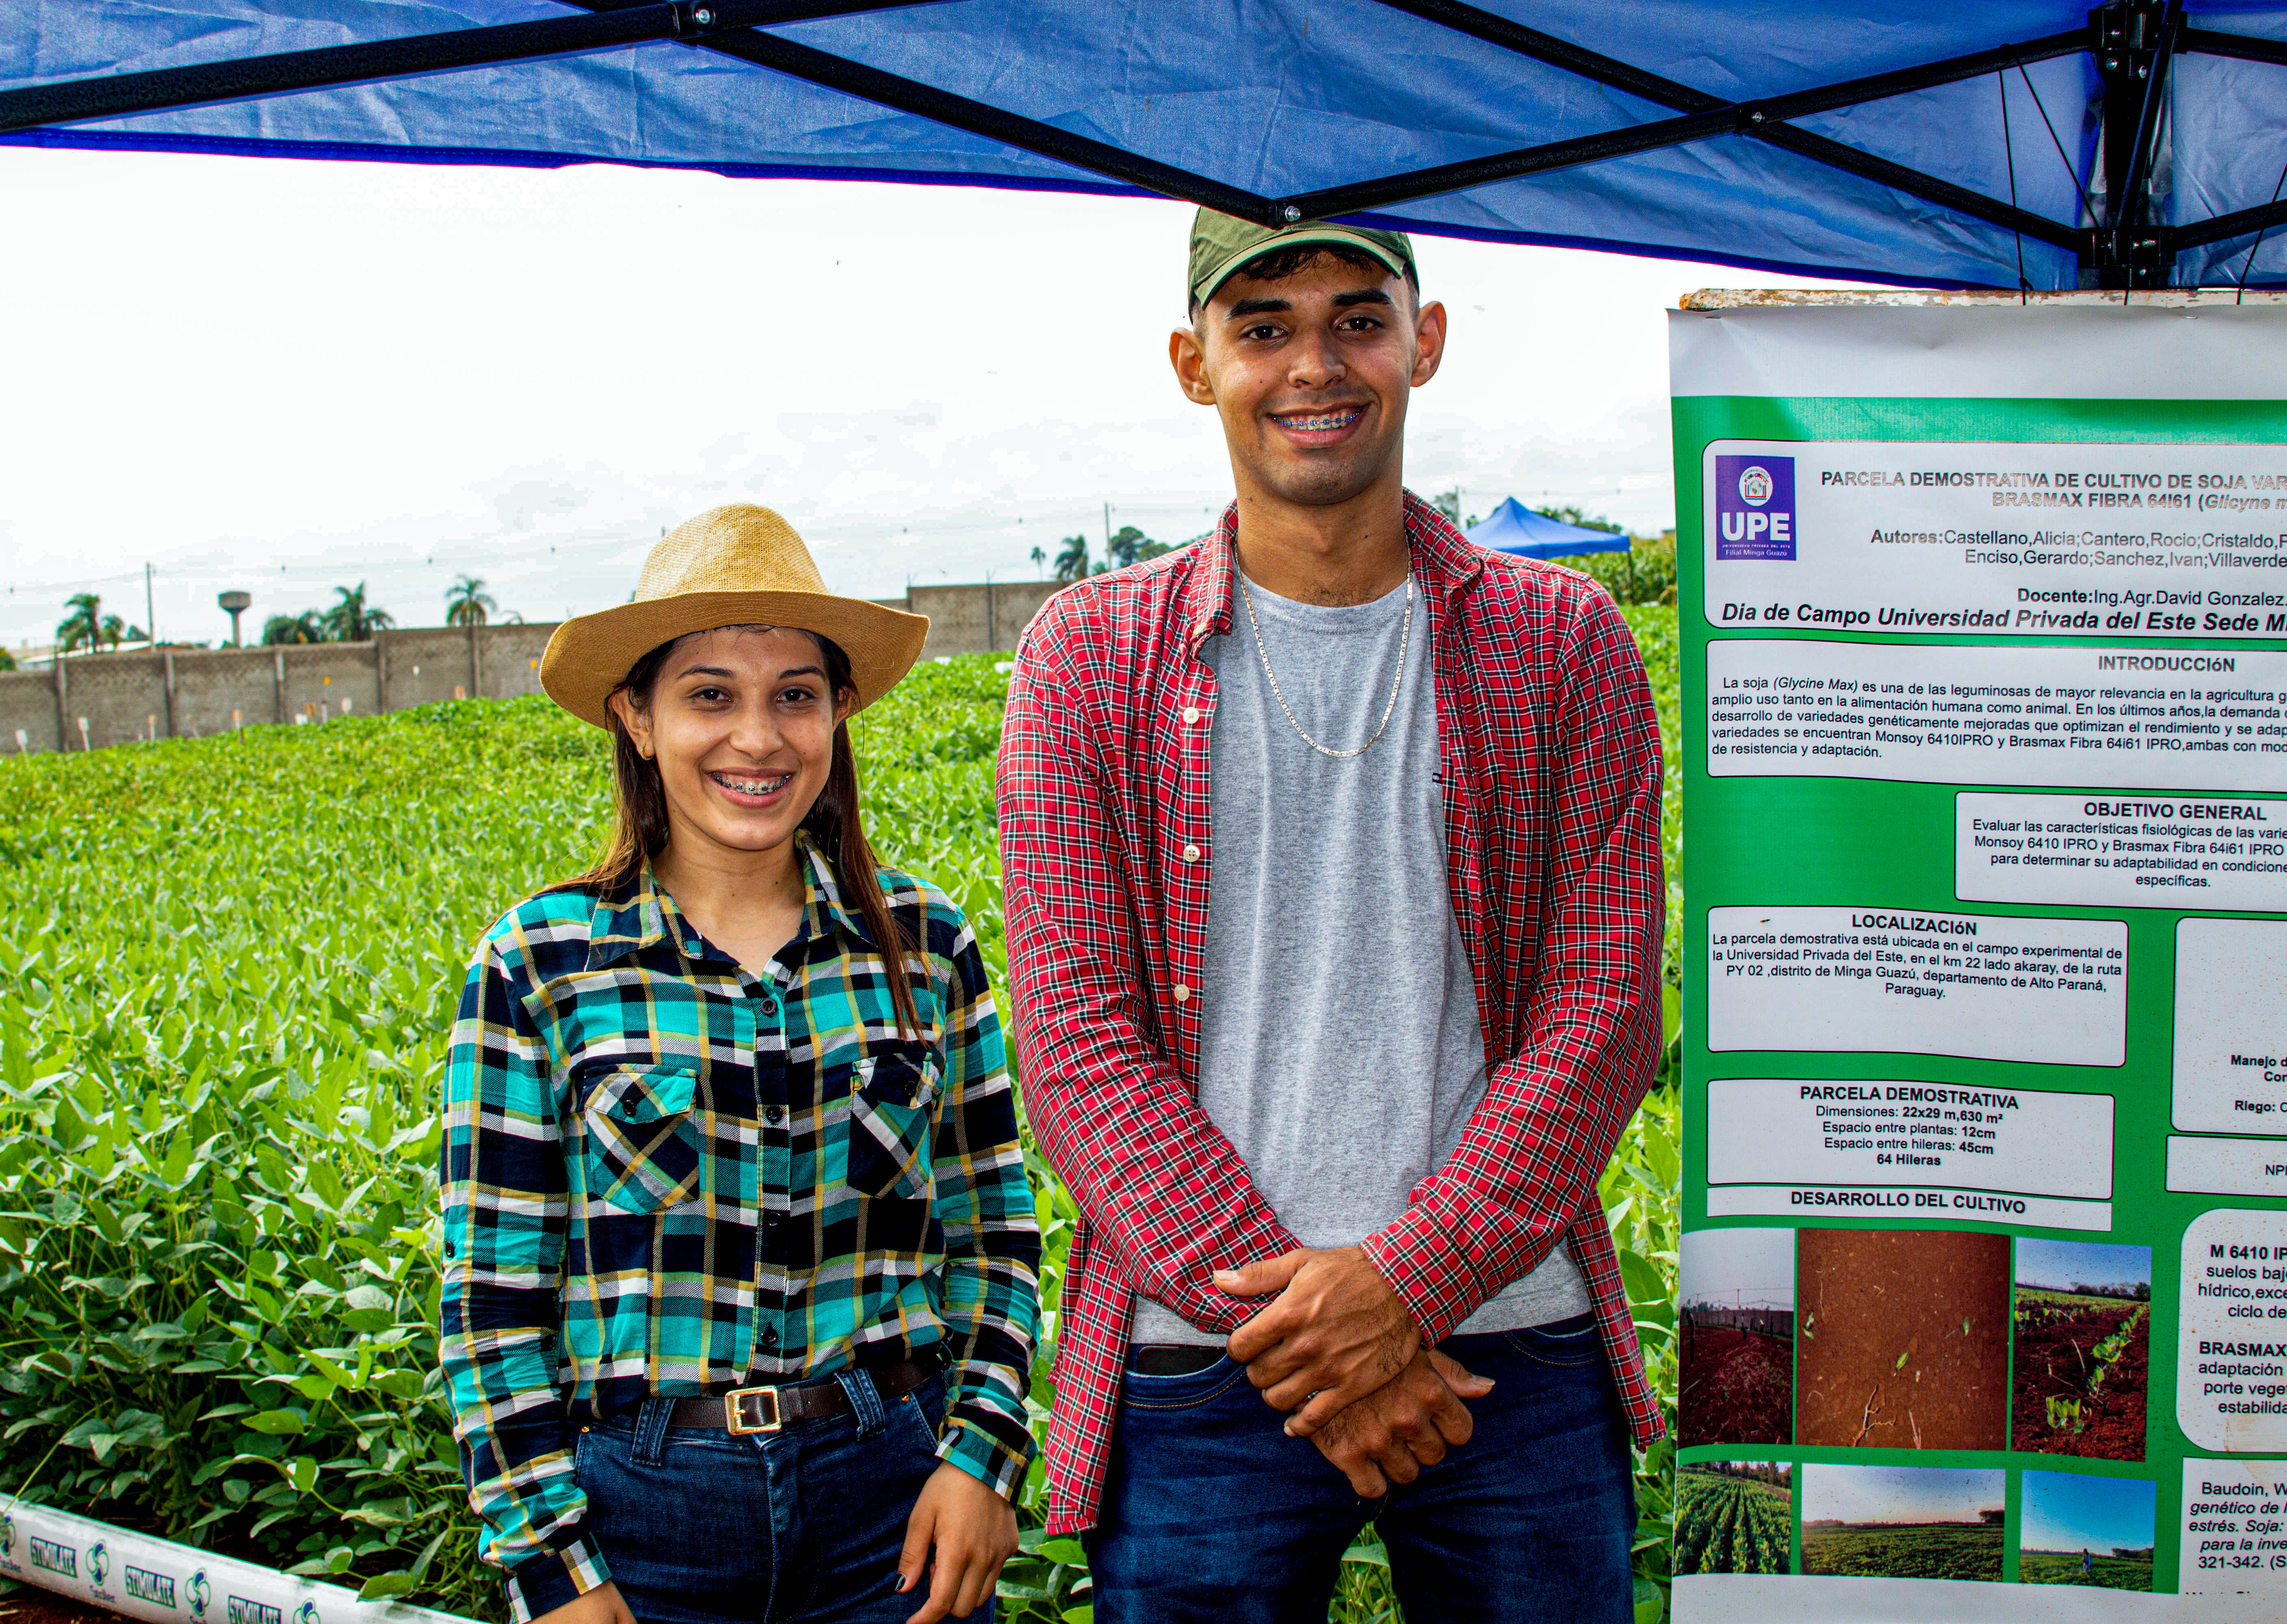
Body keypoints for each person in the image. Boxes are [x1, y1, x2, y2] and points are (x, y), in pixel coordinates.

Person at [996, 210, 1666, 1621]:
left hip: (1509, 1346)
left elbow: (1600, 1017)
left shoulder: (1565, 644)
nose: (1316, 364)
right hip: (1205, 1360)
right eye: (1264, 329)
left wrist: (1407, 1287)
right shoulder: (1088, 657)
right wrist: (1320, 1331)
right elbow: (1074, 1041)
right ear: (1196, 364)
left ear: (1426, 341)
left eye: (1358, 318)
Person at [441, 504, 1039, 1624]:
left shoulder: (927, 948)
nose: (758, 740)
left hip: (892, 1504)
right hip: (641, 1512)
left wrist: (983, 1456)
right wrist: (552, 1570)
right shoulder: (542, 966)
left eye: (794, 695)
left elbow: (995, 1235)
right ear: (636, 716)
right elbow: (491, 1304)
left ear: (837, 713)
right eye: (709, 694)